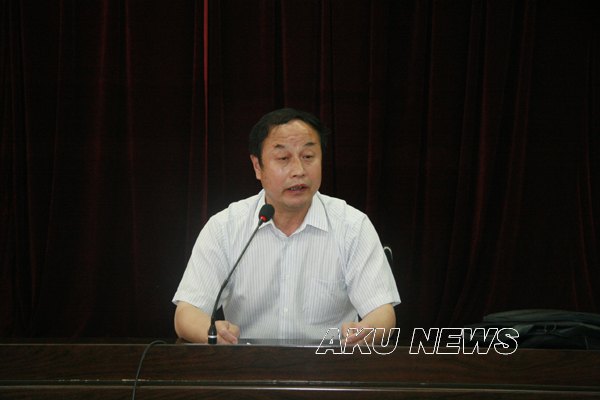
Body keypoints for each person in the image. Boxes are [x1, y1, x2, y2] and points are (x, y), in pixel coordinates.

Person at [173, 108, 400, 344]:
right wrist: (213, 334)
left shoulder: (352, 226)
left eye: (308, 156)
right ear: (257, 166)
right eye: (283, 159)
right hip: (247, 363)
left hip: (329, 363)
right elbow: (186, 314)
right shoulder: (224, 228)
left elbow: (382, 312)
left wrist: (365, 331)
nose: (299, 171)